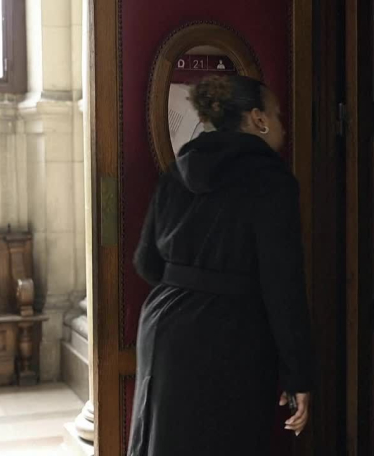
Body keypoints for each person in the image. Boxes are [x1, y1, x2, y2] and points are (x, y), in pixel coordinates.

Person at [127, 75, 315, 456]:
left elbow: (146, 262)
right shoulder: (272, 181)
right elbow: (283, 286)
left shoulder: (177, 170)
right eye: (278, 115)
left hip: (164, 328)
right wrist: (299, 375)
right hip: (230, 335)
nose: (282, 124)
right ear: (258, 119)